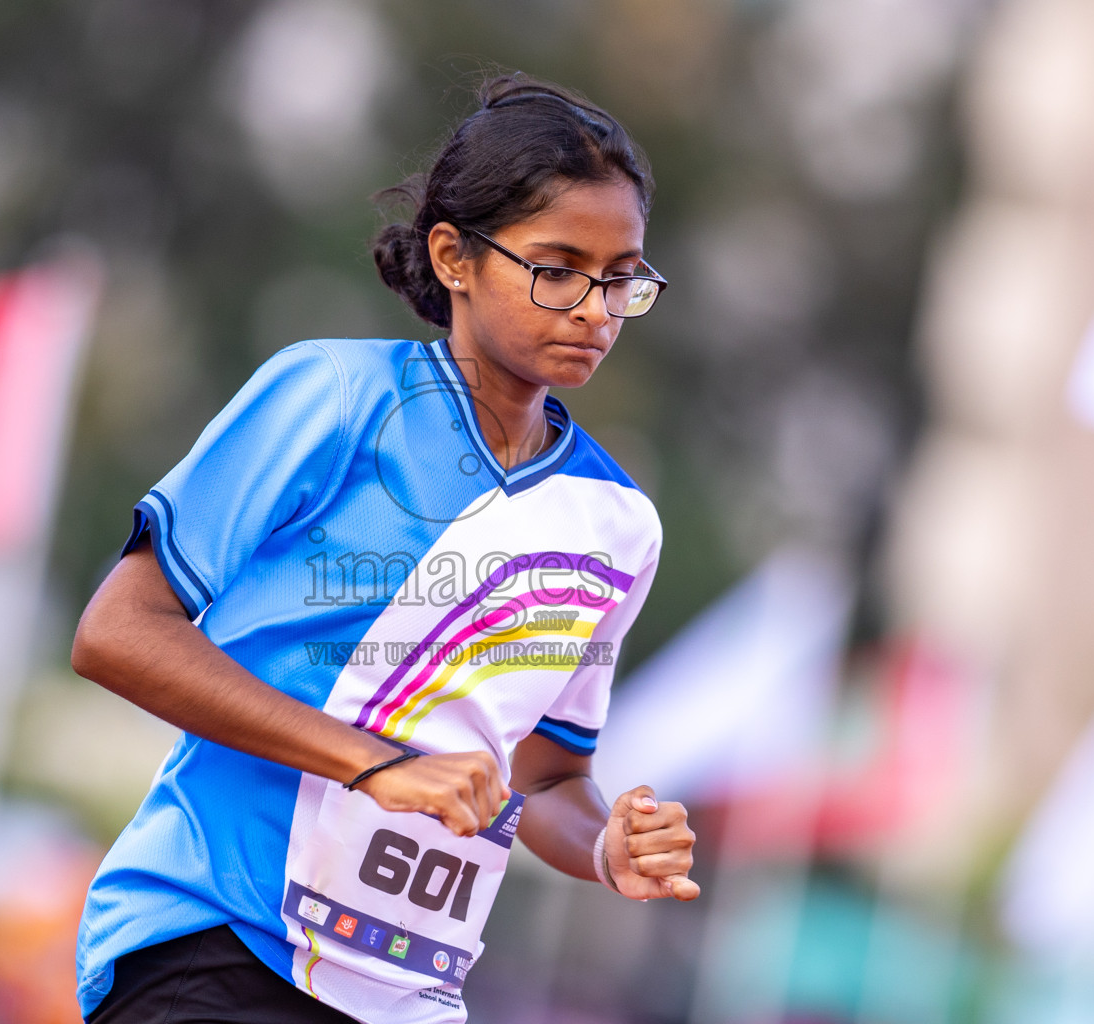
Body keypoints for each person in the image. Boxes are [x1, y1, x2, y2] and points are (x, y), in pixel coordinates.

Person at [71, 73, 699, 1024]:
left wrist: (606, 845)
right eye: (558, 268)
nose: (595, 310)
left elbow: (550, 776)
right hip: (216, 941)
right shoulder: (330, 397)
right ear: (454, 256)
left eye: (621, 278)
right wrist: (372, 762)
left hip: (408, 995)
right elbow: (118, 632)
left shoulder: (617, 524)